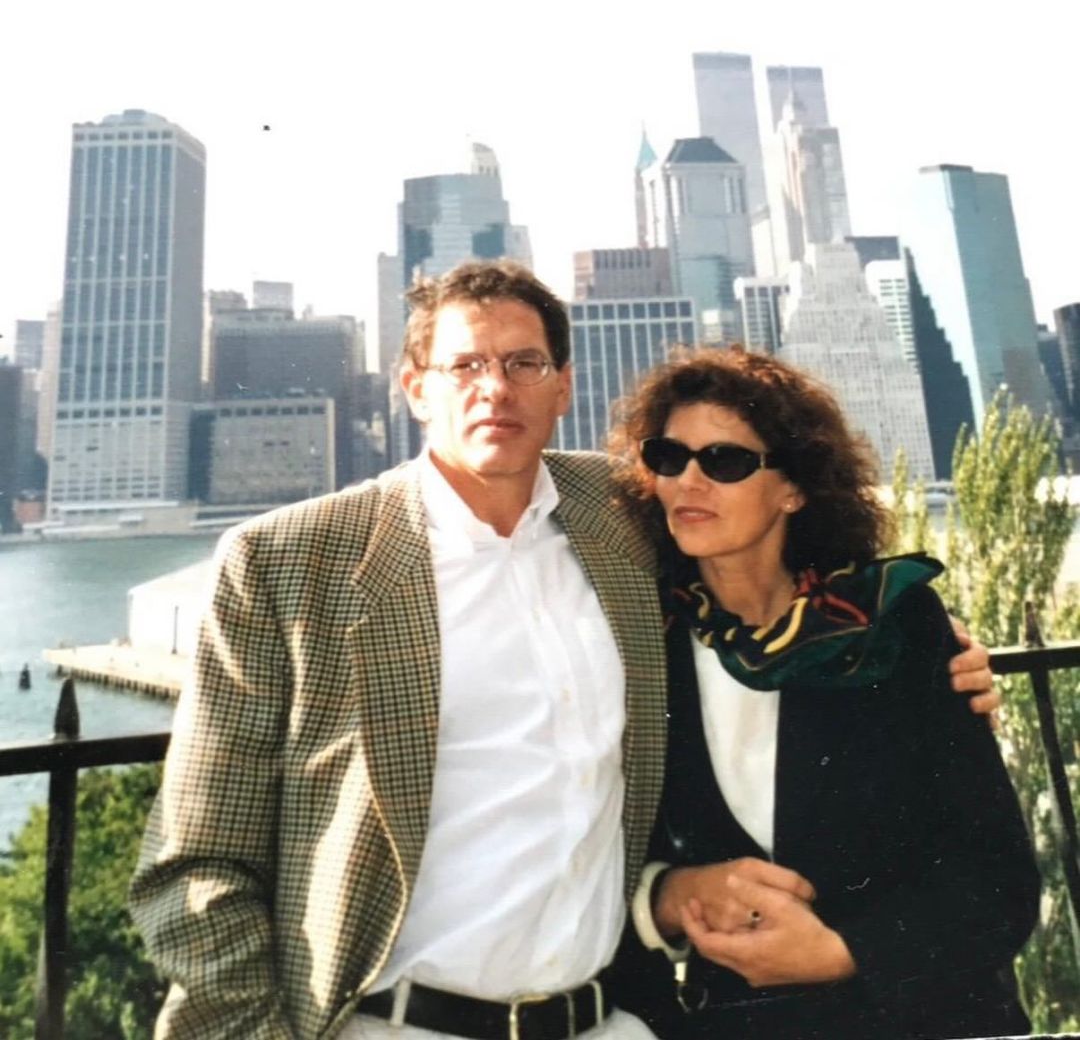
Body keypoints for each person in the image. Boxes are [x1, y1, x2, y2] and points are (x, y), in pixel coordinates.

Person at [130, 262, 999, 1040]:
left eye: (524, 363)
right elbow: (196, 862)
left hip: (608, 1018)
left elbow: (770, 557)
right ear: (414, 388)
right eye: (465, 365)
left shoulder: (626, 518)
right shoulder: (288, 562)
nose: (494, 388)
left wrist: (930, 646)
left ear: (562, 387)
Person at [608, 347, 1039, 1040]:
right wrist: (664, 895)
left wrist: (845, 954)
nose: (688, 479)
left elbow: (999, 881)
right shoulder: (639, 645)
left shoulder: (889, 624)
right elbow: (604, 860)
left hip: (929, 1023)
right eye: (668, 456)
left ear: (794, 489)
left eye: (724, 460)